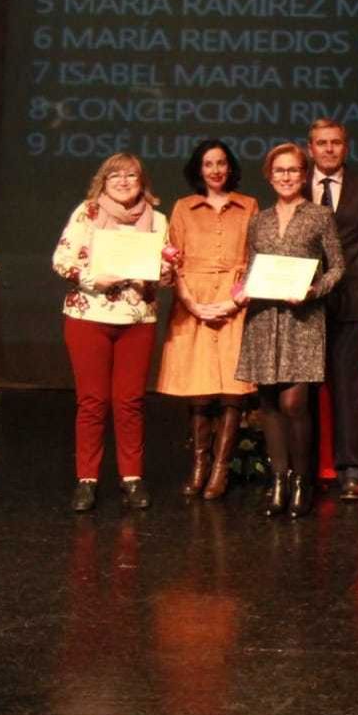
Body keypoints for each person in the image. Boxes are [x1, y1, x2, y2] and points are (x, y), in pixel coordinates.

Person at [53, 153, 174, 512]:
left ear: (142, 181)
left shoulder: (157, 219)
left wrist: (168, 271)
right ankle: (86, 480)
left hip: (137, 319)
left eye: (131, 176)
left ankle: (132, 478)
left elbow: (164, 273)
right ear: (103, 181)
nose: (123, 181)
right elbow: (61, 260)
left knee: (130, 402)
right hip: (88, 316)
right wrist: (93, 277)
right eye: (115, 175)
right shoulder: (87, 213)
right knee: (92, 401)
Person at [234, 142, 345, 520]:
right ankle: (278, 481)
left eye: (293, 170)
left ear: (304, 174)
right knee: (268, 406)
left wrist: (313, 291)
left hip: (303, 320)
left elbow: (337, 268)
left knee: (293, 404)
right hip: (264, 319)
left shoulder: (319, 216)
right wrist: (242, 288)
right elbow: (252, 267)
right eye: (279, 171)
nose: (286, 177)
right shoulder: (259, 220)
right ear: (269, 175)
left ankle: (302, 481)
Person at [156, 139, 258, 500]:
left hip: (235, 300)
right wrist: (193, 304)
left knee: (233, 392)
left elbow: (254, 260)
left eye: (221, 163)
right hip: (193, 302)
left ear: (230, 167)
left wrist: (234, 303)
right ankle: (198, 466)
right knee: (198, 391)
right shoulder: (183, 208)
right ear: (198, 170)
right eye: (208, 164)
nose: (215, 170)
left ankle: (220, 470)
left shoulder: (249, 206)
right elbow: (174, 261)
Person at [306, 118, 358, 502]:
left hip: (351, 300)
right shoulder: (295, 186)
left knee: (348, 389)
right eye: (322, 143)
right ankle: (303, 469)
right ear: (311, 149)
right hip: (302, 302)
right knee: (302, 391)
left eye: (336, 142)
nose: (329, 149)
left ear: (345, 148)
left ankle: (351, 470)